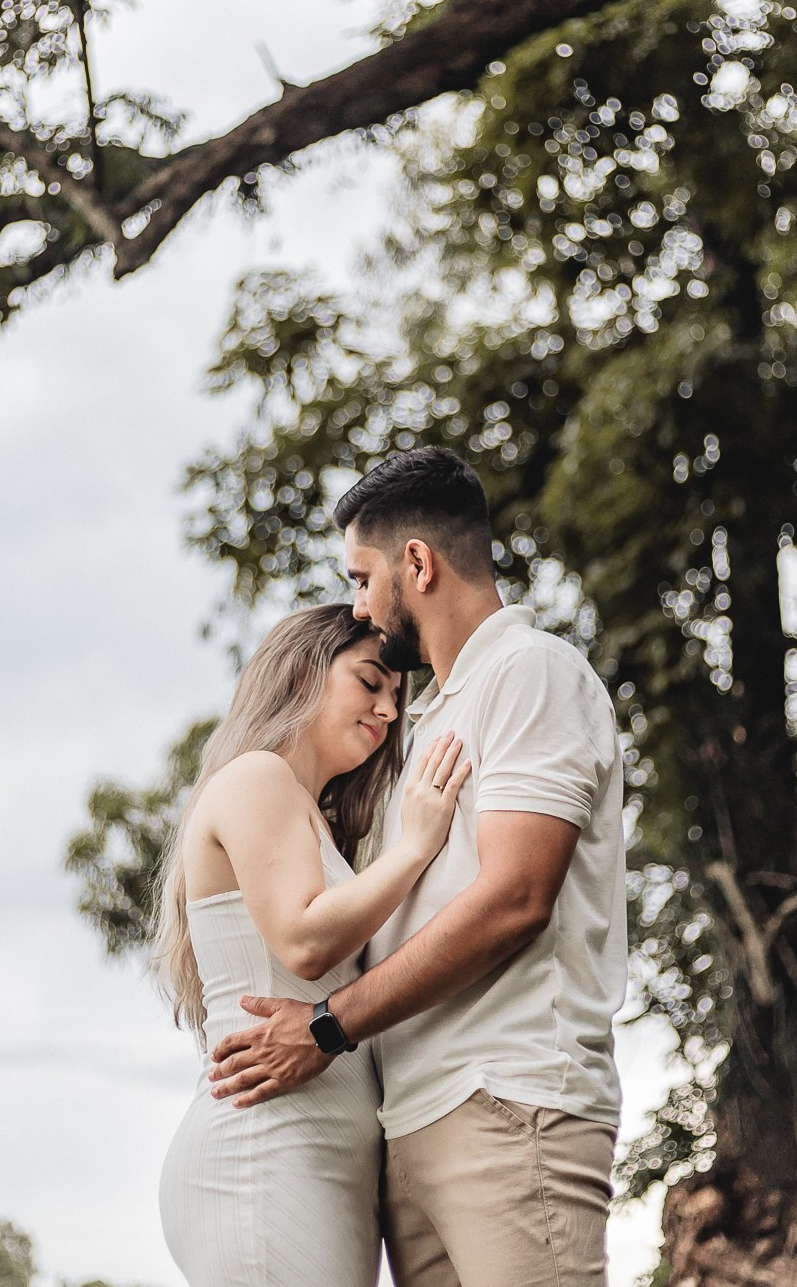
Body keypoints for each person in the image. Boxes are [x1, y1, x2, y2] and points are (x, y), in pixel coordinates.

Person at [206, 447, 628, 1287]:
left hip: (511, 1100)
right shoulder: (426, 715)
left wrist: (328, 1024)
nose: (357, 601)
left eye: (362, 576)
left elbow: (515, 897)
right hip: (412, 1120)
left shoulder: (529, 671)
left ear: (418, 563)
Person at [155, 603, 472, 1287]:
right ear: (304, 670)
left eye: (396, 696)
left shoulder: (313, 817)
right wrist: (416, 846)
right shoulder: (257, 776)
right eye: (369, 682)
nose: (388, 710)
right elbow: (301, 940)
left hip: (319, 1158)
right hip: (265, 1152)